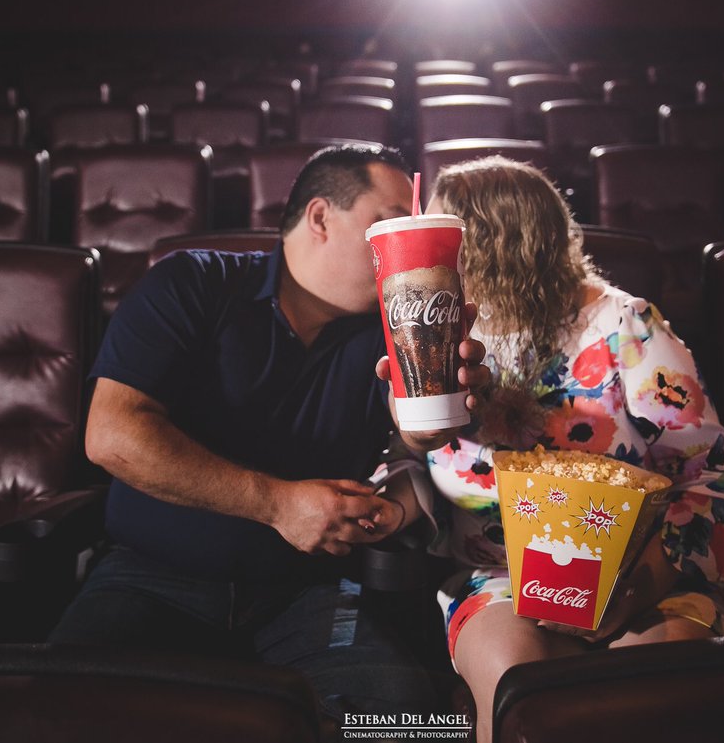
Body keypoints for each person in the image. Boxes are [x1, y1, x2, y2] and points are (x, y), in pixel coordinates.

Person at [48, 143, 490, 729]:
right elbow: (112, 434)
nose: (396, 246)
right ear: (320, 217)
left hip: (307, 592)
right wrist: (277, 503)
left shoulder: (390, 333)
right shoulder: (193, 284)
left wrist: (431, 419)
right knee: (57, 715)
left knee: (407, 725)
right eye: (384, 224)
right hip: (150, 576)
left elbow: (411, 444)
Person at [375, 156, 724, 743]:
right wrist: (403, 465)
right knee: (517, 686)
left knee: (651, 694)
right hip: (503, 575)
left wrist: (636, 588)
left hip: (647, 570)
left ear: (491, 244)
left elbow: (708, 478)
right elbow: (413, 456)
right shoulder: (434, 335)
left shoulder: (625, 326)